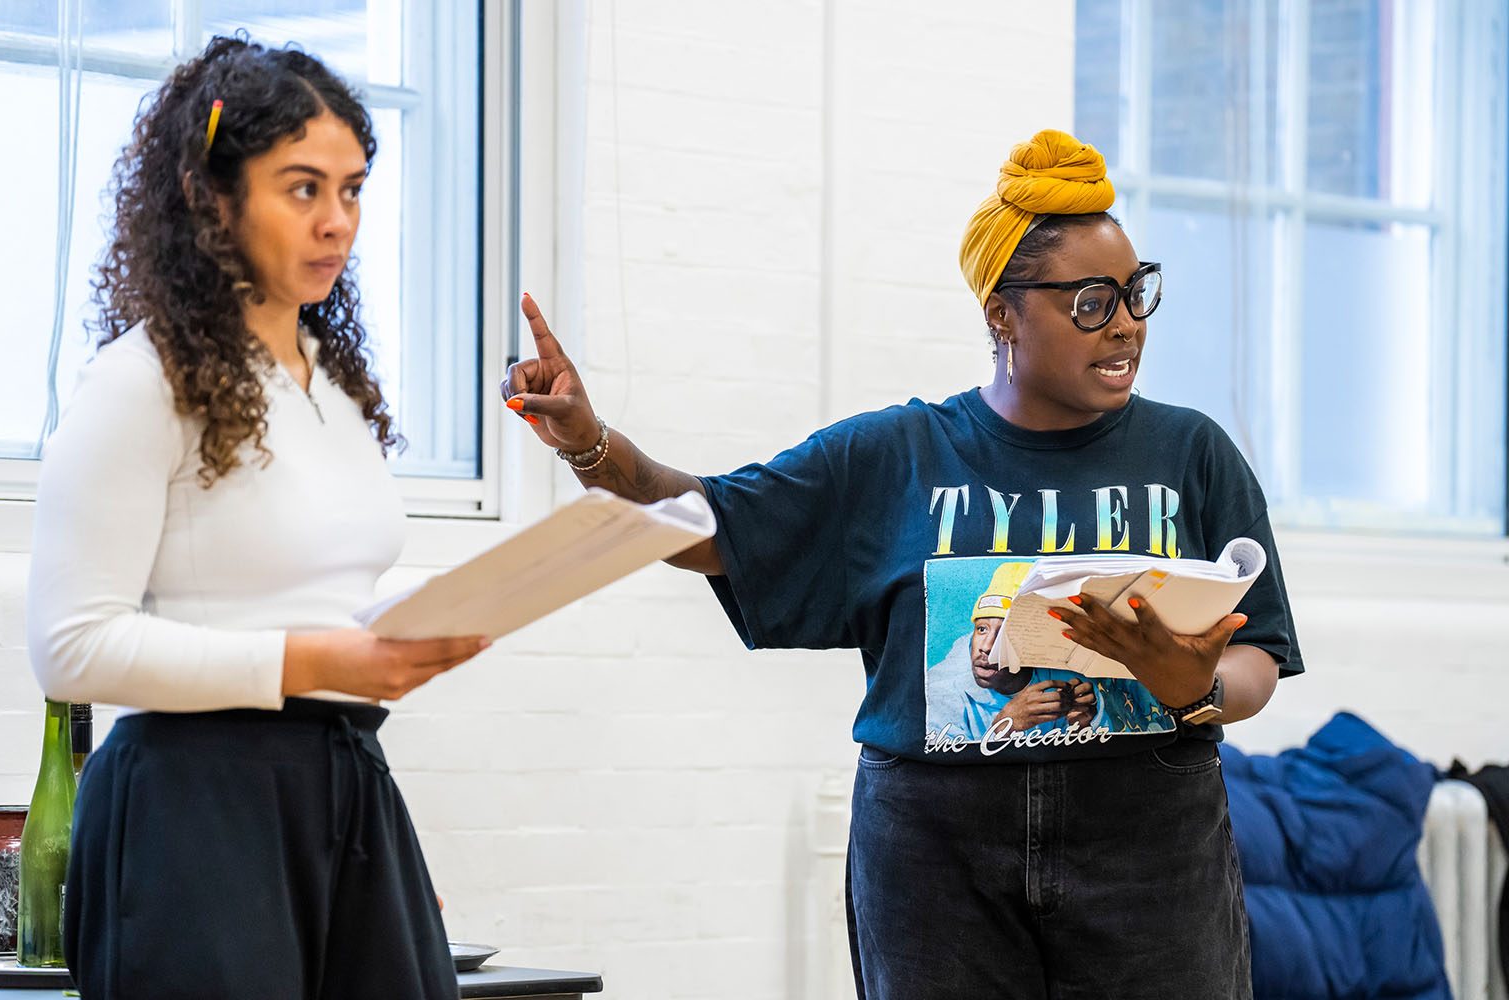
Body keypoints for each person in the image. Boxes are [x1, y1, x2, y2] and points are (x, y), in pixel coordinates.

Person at [503, 128, 1301, 999]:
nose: (1125, 325)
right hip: (936, 858)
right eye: (1091, 302)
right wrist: (589, 444)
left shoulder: (1192, 452)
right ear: (1003, 312)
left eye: (1137, 295)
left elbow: (1256, 654)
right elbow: (710, 524)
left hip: (1152, 846)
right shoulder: (895, 455)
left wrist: (1197, 688)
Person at [25, 37, 486, 1000]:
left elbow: (305, 588)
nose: (338, 222)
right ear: (211, 197)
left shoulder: (334, 387)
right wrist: (317, 661)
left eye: (353, 190)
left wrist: (427, 620)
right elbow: (70, 648)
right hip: (192, 809)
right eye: (303, 189)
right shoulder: (141, 383)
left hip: (345, 786)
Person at [923, 560, 1102, 740]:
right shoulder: (941, 693)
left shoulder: (1069, 676)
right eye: (982, 629)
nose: (985, 647)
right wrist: (1004, 726)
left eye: (1005, 635)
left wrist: (1082, 728)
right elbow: (941, 765)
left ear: (1034, 641)